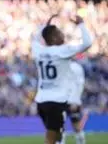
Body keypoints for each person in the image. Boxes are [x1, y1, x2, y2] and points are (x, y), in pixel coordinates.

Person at [31, 14, 92, 144]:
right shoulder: (63, 51)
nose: (63, 34)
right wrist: (81, 24)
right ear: (53, 38)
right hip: (56, 102)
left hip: (41, 101)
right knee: (52, 139)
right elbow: (87, 43)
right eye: (59, 33)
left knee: (57, 137)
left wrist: (44, 27)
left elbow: (34, 38)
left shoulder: (38, 50)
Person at [61, 61, 86, 144]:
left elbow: (80, 84)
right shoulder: (60, 66)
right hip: (61, 101)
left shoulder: (77, 67)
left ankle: (81, 142)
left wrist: (75, 99)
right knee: (60, 126)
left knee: (76, 126)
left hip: (73, 101)